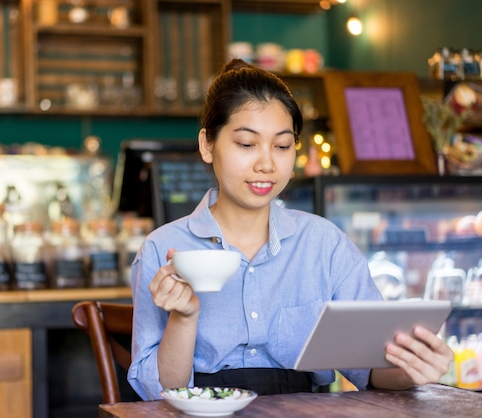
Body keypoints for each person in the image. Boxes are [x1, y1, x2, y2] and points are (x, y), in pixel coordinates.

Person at [127, 59, 453, 400]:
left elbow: (370, 368)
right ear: (208, 145)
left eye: (282, 146)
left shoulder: (323, 244)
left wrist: (411, 367)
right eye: (246, 144)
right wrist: (184, 315)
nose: (266, 164)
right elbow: (160, 394)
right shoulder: (163, 248)